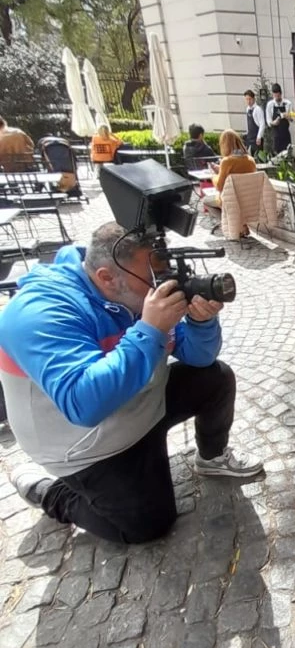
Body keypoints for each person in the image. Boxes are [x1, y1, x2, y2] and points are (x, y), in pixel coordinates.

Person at [0, 223, 263, 543]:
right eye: (151, 279)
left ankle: (211, 457)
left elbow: (199, 358)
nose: (161, 286)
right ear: (106, 277)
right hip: (88, 443)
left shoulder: (134, 289)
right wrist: (150, 329)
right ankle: (52, 494)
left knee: (215, 378)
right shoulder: (39, 312)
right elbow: (82, 405)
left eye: (162, 274)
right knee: (147, 525)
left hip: (140, 403)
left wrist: (200, 321)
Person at [202, 130, 256, 210]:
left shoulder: (227, 161)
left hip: (231, 200)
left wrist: (213, 175)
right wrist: (221, 169)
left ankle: (226, 220)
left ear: (224, 144)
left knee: (205, 200)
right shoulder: (250, 160)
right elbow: (239, 171)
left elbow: (219, 186)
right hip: (248, 200)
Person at [266, 83, 292, 154]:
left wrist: (288, 117)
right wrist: (274, 123)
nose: (276, 98)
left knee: (288, 155)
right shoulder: (270, 105)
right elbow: (268, 121)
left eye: (278, 96)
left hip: (286, 134)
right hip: (276, 135)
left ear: (281, 94)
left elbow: (292, 119)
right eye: (275, 96)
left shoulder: (288, 103)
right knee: (277, 156)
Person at [243, 90, 265, 156]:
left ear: (253, 99)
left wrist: (259, 137)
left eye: (250, 99)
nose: (248, 101)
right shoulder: (247, 109)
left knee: (258, 156)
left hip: (256, 137)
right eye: (246, 99)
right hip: (250, 137)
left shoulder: (257, 109)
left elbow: (262, 124)